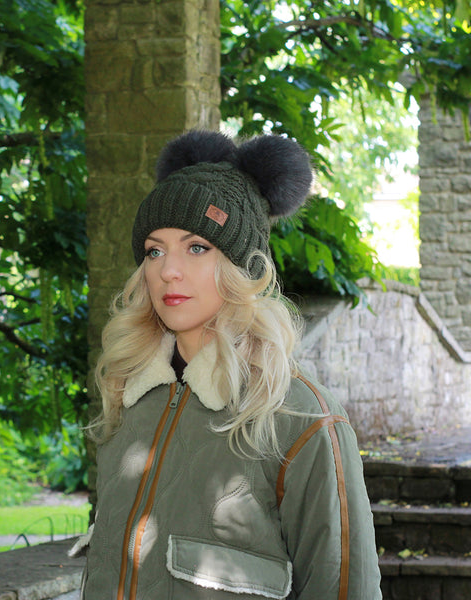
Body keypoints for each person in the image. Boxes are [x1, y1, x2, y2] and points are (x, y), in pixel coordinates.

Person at [78, 130, 382, 599]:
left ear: (243, 268)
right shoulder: (127, 395)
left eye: (196, 247)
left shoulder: (303, 419)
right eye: (155, 250)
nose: (168, 270)